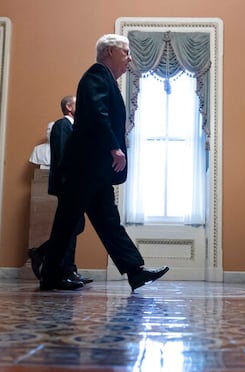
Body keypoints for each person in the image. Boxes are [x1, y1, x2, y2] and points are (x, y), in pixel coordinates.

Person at [39, 34, 169, 291]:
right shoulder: (96, 75)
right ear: (110, 51)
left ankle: (134, 271)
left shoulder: (105, 79)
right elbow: (99, 113)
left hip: (94, 171)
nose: (130, 58)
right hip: (84, 169)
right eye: (126, 53)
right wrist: (114, 147)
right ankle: (50, 275)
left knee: (108, 221)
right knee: (67, 225)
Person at [28, 95, 92, 285]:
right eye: (78, 104)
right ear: (69, 107)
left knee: (73, 226)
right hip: (68, 186)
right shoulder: (62, 125)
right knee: (71, 226)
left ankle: (45, 255)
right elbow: (65, 156)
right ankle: (65, 271)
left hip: (73, 185)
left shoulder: (73, 127)